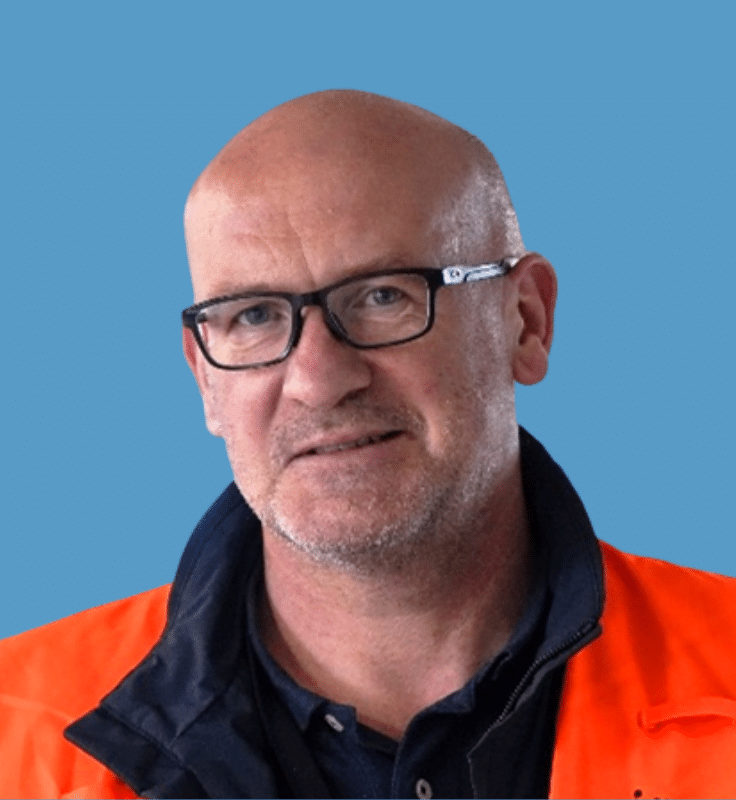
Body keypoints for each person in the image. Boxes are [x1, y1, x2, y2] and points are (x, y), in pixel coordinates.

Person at [2, 90, 736, 800]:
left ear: (525, 320)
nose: (318, 380)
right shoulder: (16, 734)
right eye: (253, 316)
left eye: (383, 295)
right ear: (204, 378)